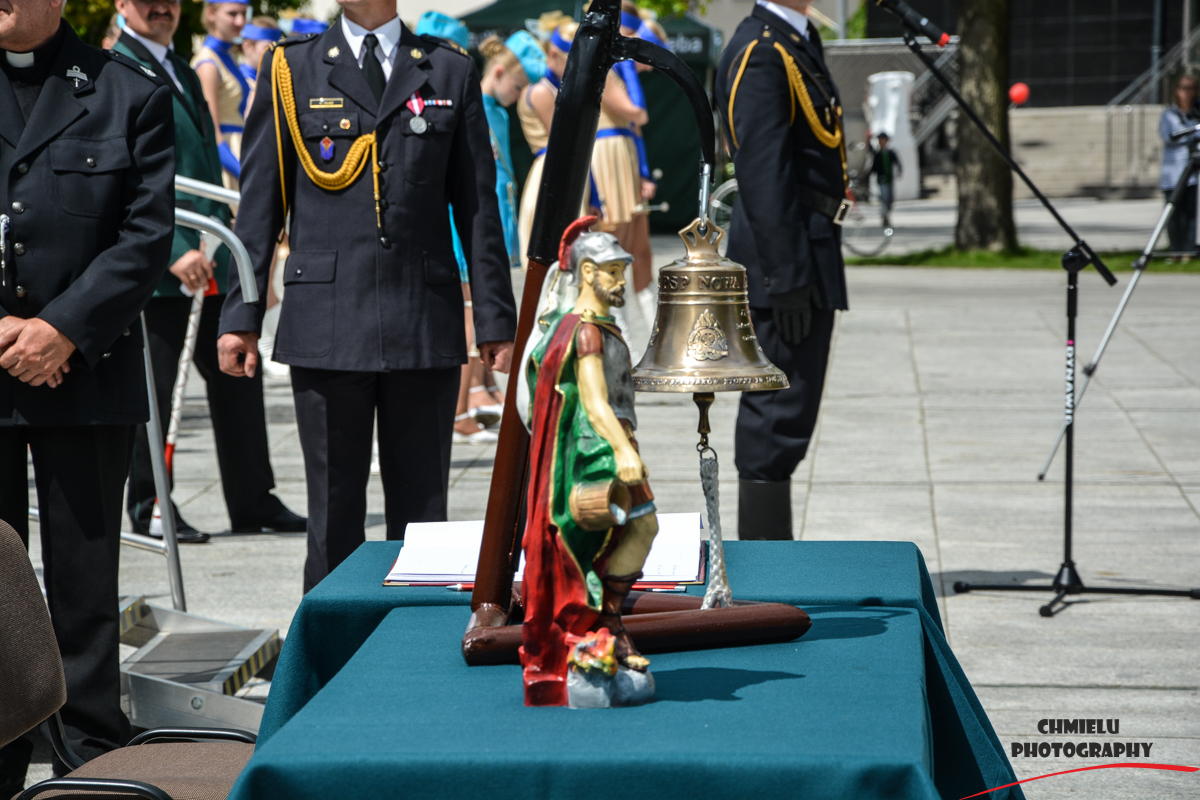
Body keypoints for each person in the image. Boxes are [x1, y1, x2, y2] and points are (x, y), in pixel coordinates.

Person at [217, 0, 517, 592]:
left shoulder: (448, 69)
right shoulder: (291, 68)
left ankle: (410, 664)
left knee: (424, 521)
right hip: (326, 324)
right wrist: (241, 313)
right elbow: (260, 203)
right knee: (332, 523)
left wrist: (494, 319)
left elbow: (479, 207)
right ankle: (329, 664)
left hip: (421, 323)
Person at [0, 0, 175, 784]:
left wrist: (62, 329)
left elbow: (145, 234)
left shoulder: (126, 92)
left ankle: (87, 753)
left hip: (86, 371)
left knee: (84, 578)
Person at [113, 0, 306, 539]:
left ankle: (253, 500)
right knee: (156, 391)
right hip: (161, 263)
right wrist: (173, 246)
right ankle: (149, 505)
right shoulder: (115, 68)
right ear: (121, 5)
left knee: (236, 379)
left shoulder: (181, 66)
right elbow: (124, 171)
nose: (162, 7)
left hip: (210, 254)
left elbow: (199, 165)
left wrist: (239, 251)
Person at [715, 0, 849, 540]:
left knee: (792, 411)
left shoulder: (795, 40)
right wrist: (787, 276)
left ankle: (774, 558)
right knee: (776, 417)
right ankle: (765, 568)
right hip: (786, 256)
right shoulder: (762, 49)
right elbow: (763, 171)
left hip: (809, 244)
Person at [520, 218, 658, 707]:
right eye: (613, 271)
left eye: (623, 270)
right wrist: (622, 450)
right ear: (586, 273)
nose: (622, 280)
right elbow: (596, 402)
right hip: (594, 454)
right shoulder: (584, 334)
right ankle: (601, 627)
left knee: (631, 533)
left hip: (612, 444)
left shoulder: (597, 325)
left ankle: (609, 624)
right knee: (618, 537)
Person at [192, 0, 248, 188]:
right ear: (211, 13)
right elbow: (211, 132)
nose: (240, 21)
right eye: (232, 14)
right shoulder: (208, 63)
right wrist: (243, 173)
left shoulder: (229, 56)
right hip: (227, 166)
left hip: (240, 154)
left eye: (244, 13)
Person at [1159, 71, 1200, 255]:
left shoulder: (1196, 114)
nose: (1188, 93)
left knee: (1193, 214)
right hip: (1173, 173)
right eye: (1184, 88)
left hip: (1194, 174)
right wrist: (1194, 131)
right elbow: (1172, 136)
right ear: (1176, 91)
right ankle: (1175, 250)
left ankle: (1190, 251)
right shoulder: (1169, 115)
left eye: (1192, 89)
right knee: (1173, 215)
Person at [869, 131, 901, 229]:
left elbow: (897, 163)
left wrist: (899, 171)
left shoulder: (891, 153)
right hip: (881, 180)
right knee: (884, 198)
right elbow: (873, 167)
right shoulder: (877, 154)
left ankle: (887, 215)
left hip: (889, 179)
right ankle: (884, 217)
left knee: (890, 199)